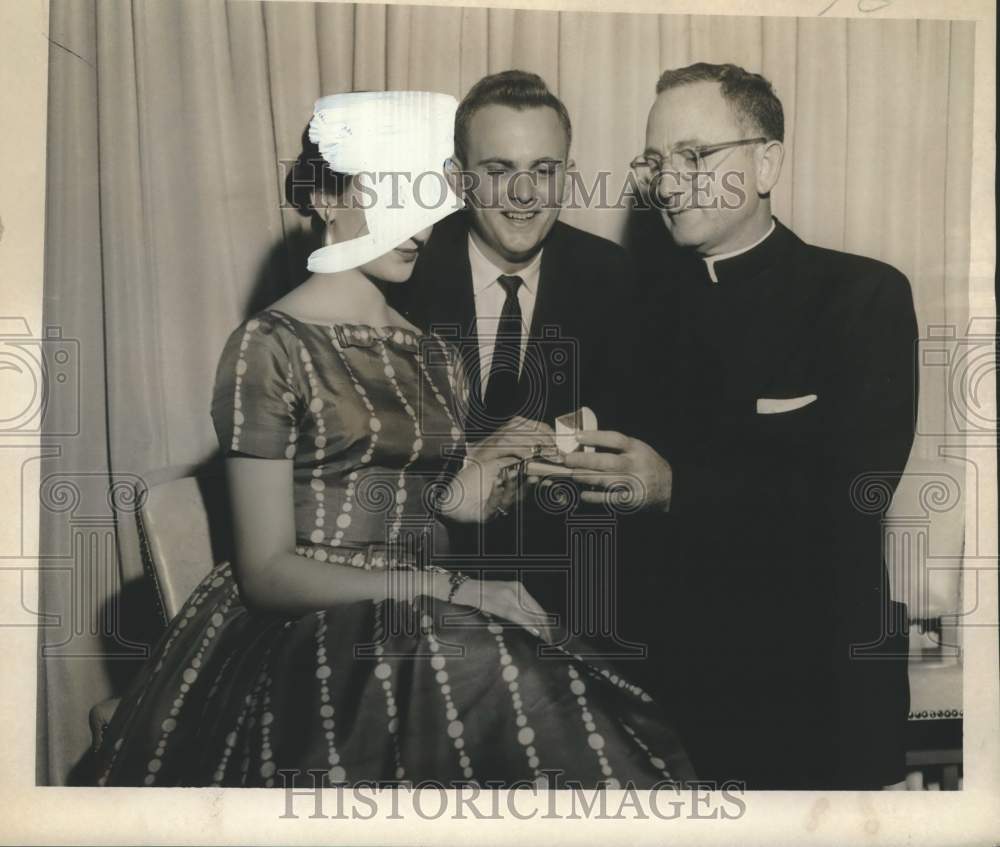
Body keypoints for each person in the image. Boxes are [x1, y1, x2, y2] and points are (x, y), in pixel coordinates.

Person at [93, 90, 693, 789]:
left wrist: (496, 473)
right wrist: (456, 586)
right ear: (325, 196)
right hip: (315, 629)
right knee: (507, 676)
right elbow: (266, 572)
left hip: (432, 614)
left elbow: (437, 510)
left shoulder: (431, 351)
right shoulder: (269, 345)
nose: (419, 223)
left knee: (587, 688)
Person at [562, 63, 917, 790]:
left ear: (767, 163)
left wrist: (674, 487)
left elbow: (856, 493)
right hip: (669, 711)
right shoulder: (630, 315)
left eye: (695, 156)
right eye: (655, 162)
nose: (667, 183)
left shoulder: (861, 296)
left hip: (816, 710)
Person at [388, 71, 638, 646]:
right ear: (458, 179)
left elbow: (623, 410)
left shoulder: (613, 275)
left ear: (567, 178)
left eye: (543, 171)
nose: (524, 195)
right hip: (421, 579)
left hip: (570, 579)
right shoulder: (401, 272)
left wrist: (547, 440)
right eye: (499, 171)